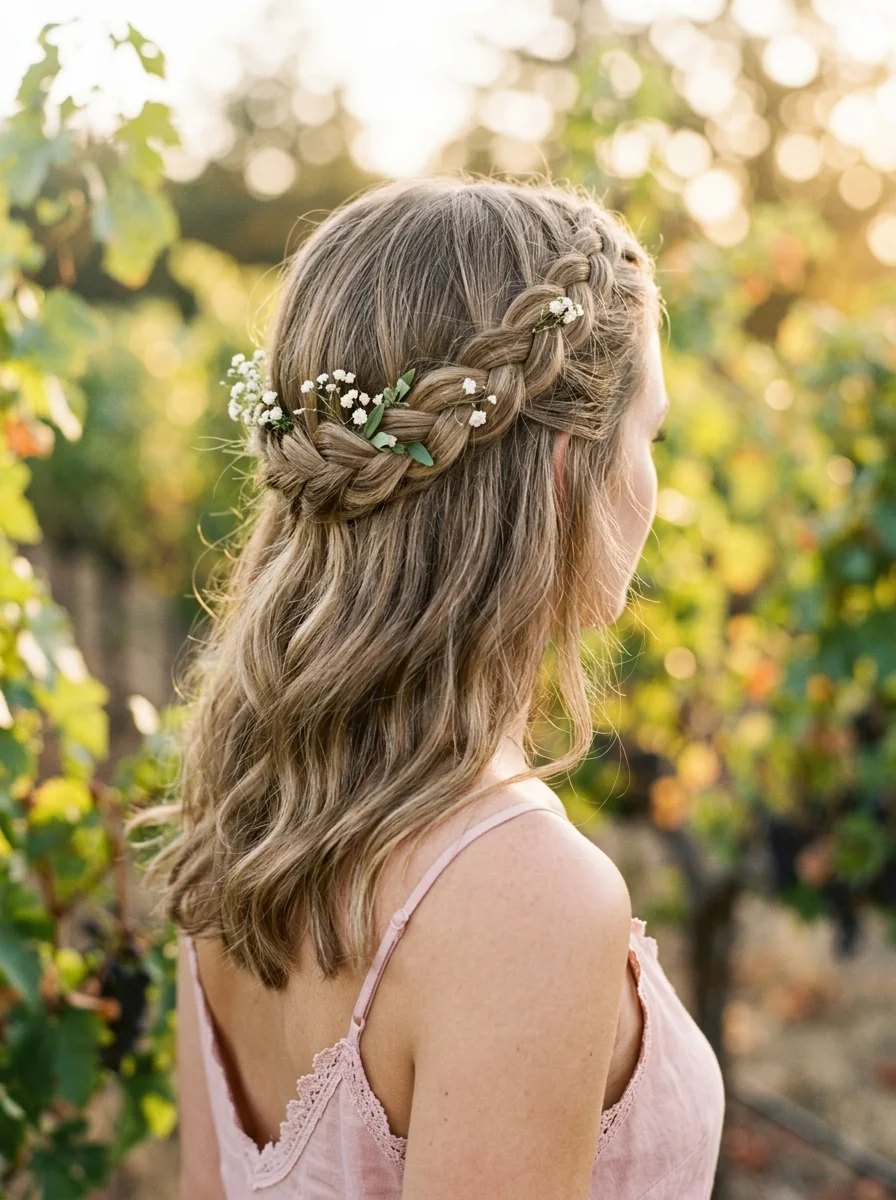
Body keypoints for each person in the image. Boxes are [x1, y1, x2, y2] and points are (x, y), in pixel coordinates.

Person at [131, 175, 725, 1199]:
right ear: (561, 473)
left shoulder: (243, 798)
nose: (654, 482)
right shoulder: (525, 901)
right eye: (650, 435)